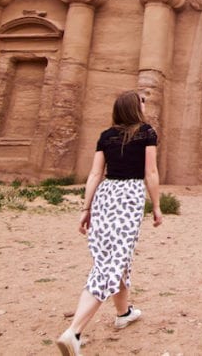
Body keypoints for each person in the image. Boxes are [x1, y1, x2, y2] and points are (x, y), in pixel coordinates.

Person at [57, 90, 163, 356]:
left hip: (105, 195)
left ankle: (123, 312)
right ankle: (74, 332)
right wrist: (157, 206)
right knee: (111, 264)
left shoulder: (106, 136)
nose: (145, 104)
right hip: (129, 198)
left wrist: (86, 208)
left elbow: (95, 174)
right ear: (134, 107)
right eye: (142, 101)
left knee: (116, 258)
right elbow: (150, 172)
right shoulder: (146, 133)